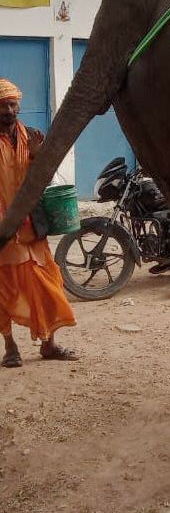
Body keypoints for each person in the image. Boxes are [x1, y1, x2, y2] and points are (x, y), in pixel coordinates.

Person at [0, 79, 78, 367]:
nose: (9, 110)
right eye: (3, 105)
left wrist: (37, 154)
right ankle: (10, 347)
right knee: (6, 289)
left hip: (33, 227)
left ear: (19, 105)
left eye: (12, 104)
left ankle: (49, 344)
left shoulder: (31, 136)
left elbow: (44, 177)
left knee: (48, 285)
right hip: (4, 230)